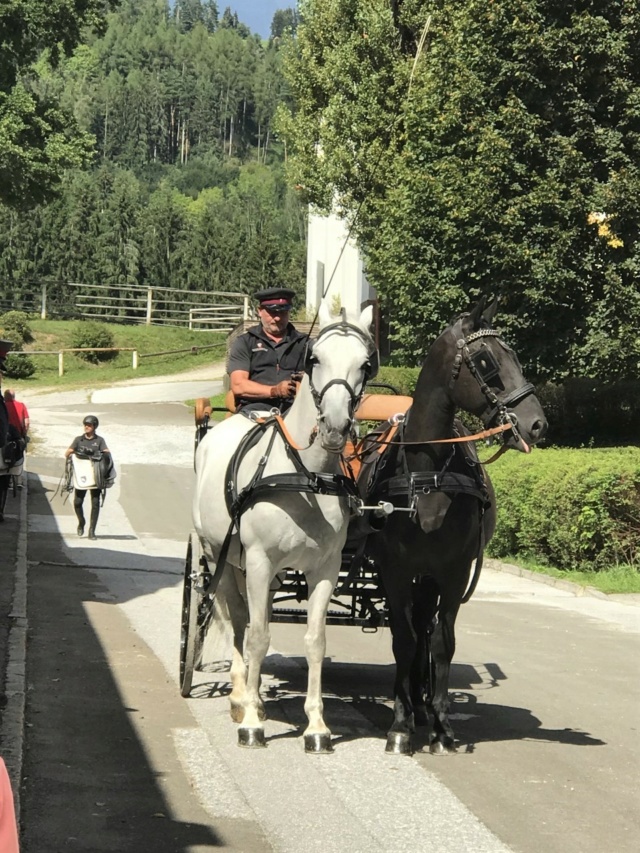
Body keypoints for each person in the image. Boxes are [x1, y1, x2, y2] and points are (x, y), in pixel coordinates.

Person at [227, 287, 308, 415]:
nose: (277, 318)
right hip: (254, 411)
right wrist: (274, 390)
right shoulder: (245, 342)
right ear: (260, 311)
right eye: (272, 312)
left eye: (283, 312)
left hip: (298, 412)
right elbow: (238, 385)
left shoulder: (305, 343)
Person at [64, 415, 111, 540]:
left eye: (89, 425)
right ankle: (81, 522)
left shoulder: (100, 440)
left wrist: (96, 453)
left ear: (94, 427)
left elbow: (107, 453)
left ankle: (92, 530)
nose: (86, 427)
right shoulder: (79, 440)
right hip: (82, 475)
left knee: (95, 503)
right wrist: (75, 452)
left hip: (95, 475)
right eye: (85, 424)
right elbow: (67, 453)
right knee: (77, 502)